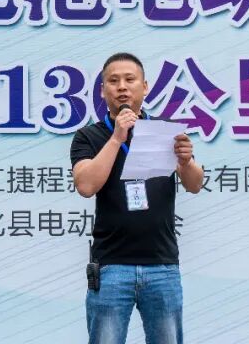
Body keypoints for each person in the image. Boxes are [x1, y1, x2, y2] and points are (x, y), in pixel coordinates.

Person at [70, 52, 204, 344]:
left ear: (145, 87)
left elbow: (195, 184)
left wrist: (186, 162)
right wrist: (117, 138)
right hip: (111, 267)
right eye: (113, 81)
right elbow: (86, 185)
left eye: (130, 80)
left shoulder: (164, 132)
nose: (122, 87)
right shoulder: (88, 136)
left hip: (162, 266)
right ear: (102, 90)